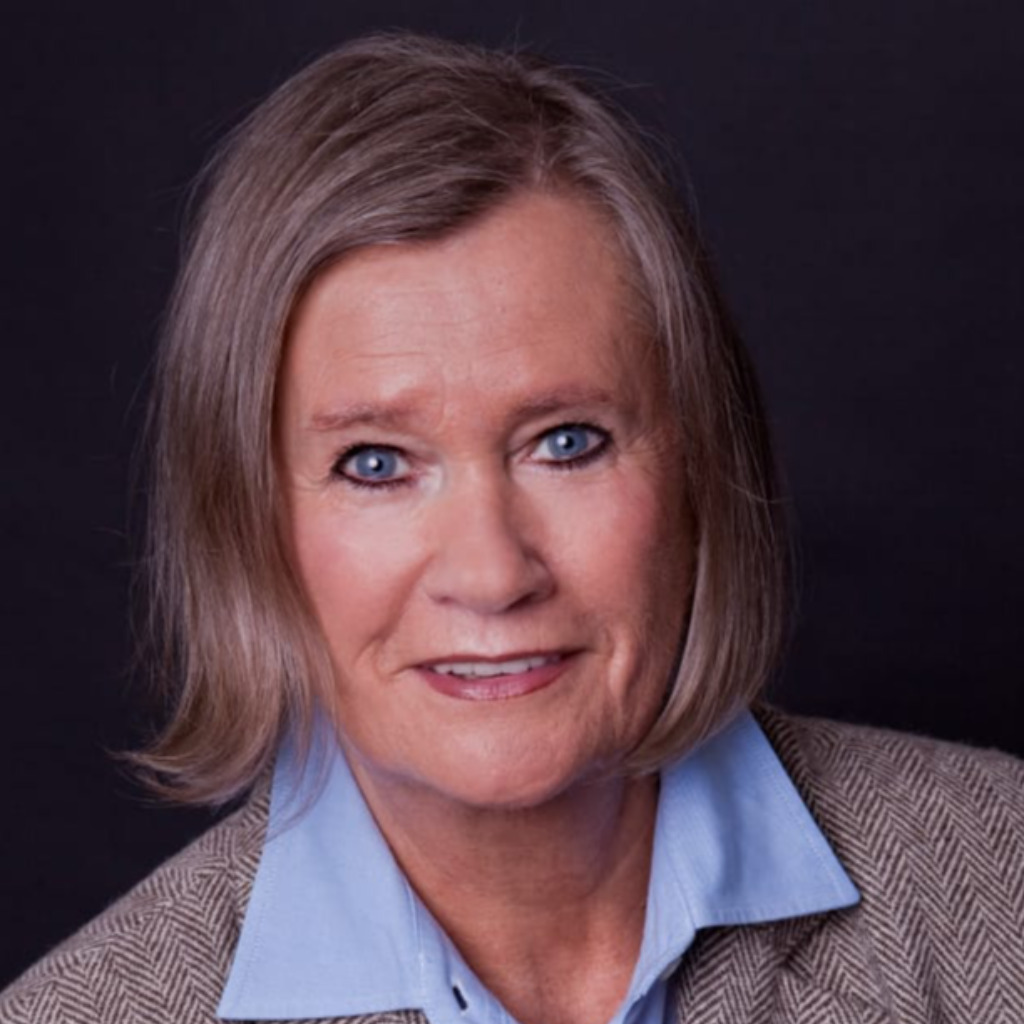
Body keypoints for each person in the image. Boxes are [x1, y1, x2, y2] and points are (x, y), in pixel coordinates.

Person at [2, 31, 1022, 1024]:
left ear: (703, 465)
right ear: (247, 519)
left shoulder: (999, 874)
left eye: (566, 442)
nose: (492, 574)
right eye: (375, 463)